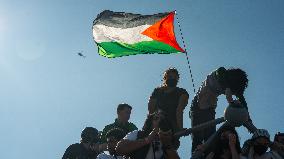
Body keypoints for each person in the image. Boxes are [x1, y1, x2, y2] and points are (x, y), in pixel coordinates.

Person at [190, 67, 253, 152]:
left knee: (210, 137)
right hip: (198, 105)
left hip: (209, 108)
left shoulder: (233, 85)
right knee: (198, 137)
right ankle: (196, 155)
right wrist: (232, 104)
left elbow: (243, 102)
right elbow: (228, 93)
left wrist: (248, 119)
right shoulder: (221, 73)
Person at [116, 112, 180, 159]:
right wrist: (147, 140)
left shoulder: (167, 139)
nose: (160, 121)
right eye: (156, 118)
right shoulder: (138, 134)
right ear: (150, 122)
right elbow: (119, 148)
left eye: (162, 120)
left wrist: (167, 144)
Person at [148, 68, 189, 135]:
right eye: (170, 77)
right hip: (155, 125)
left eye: (175, 77)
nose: (173, 79)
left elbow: (179, 110)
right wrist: (149, 127)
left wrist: (180, 128)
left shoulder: (182, 92)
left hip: (171, 127)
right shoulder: (157, 91)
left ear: (177, 79)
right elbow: (151, 110)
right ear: (165, 78)